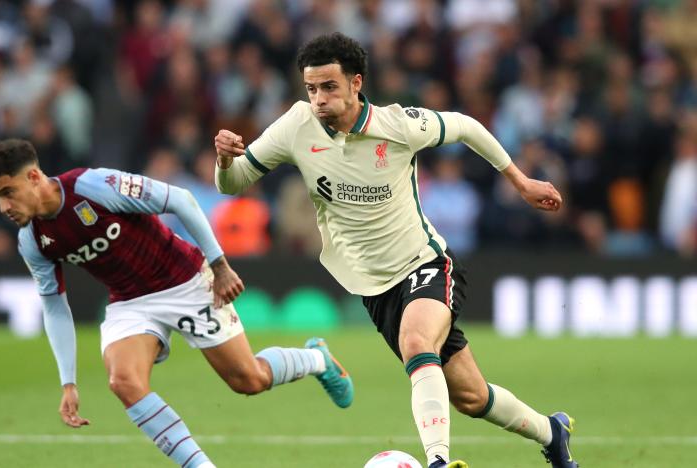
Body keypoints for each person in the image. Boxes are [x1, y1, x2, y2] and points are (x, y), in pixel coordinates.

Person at [214, 33, 577, 468]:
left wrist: (520, 181)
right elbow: (234, 184)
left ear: (355, 82)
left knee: (416, 340)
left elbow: (466, 126)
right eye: (311, 89)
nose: (319, 99)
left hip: (425, 263)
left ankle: (439, 461)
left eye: (329, 87)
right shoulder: (296, 127)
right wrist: (223, 162)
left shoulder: (398, 124)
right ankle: (552, 433)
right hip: (374, 287)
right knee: (470, 396)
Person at [0, 139, 353, 468]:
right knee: (123, 381)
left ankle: (318, 359)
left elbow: (182, 201)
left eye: (7, 192)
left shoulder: (92, 185)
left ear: (34, 177)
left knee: (248, 380)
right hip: (130, 302)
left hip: (185, 280)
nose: (3, 207)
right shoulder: (32, 240)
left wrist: (219, 265)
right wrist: (68, 382)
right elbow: (55, 306)